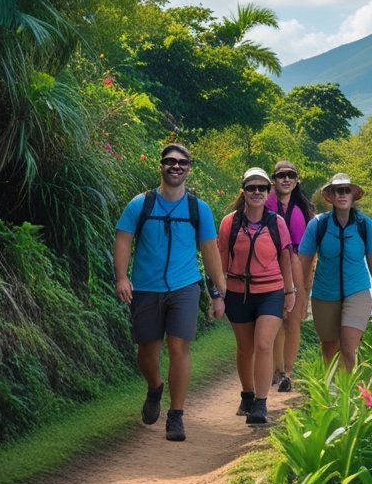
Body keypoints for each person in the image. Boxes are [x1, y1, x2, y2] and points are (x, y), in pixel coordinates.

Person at [113, 143, 225, 442]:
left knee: (179, 349)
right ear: (160, 165)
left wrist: (218, 293)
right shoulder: (141, 204)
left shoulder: (197, 208)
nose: (176, 167)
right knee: (146, 352)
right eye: (170, 161)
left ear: (189, 168)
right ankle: (155, 387)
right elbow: (123, 239)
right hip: (146, 287)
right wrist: (122, 277)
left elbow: (211, 252)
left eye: (182, 163)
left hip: (185, 287)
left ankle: (176, 415)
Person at [219, 167, 295, 425]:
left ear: (268, 192)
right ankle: (247, 394)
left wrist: (290, 291)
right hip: (237, 293)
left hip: (270, 292)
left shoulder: (276, 222)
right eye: (251, 188)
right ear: (244, 192)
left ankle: (261, 404)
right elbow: (220, 259)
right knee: (245, 348)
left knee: (264, 344)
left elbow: (286, 258)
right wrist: (217, 293)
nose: (257, 192)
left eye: (262, 188)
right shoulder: (230, 222)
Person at [299, 173, 372, 371]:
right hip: (324, 293)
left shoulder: (365, 225)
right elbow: (303, 261)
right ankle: (331, 392)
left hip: (357, 292)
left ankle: (346, 394)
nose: (342, 194)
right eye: (338, 190)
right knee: (329, 347)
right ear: (330, 196)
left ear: (353, 195)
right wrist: (302, 293)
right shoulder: (318, 225)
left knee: (348, 346)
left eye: (347, 190)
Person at [266, 159, 313, 393]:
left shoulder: (304, 210)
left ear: (297, 180)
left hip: (296, 270)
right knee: (275, 322)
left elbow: (309, 251)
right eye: (281, 175)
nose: (286, 179)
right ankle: (275, 369)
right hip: (268, 268)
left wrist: (306, 282)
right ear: (273, 180)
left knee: (293, 322)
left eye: (290, 175)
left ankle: (287, 372)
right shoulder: (263, 202)